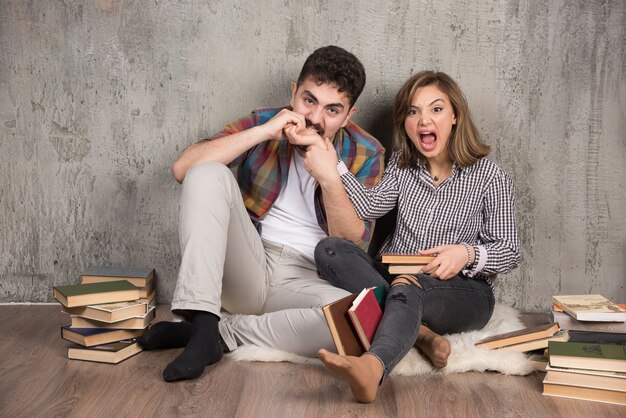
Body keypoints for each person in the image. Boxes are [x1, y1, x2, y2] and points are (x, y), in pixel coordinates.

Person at [137, 46, 385, 382]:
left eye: (332, 109)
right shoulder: (264, 122)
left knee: (359, 322)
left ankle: (214, 332)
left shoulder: (367, 152)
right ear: (293, 92)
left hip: (308, 279)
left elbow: (351, 241)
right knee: (206, 172)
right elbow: (183, 168)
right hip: (248, 264)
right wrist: (265, 132)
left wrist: (329, 175)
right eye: (308, 100)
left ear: (348, 115)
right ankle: (203, 317)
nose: (314, 118)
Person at [308, 70, 521, 403]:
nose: (424, 119)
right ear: (405, 122)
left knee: (407, 286)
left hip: (462, 292)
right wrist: (334, 165)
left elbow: (509, 251)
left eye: (436, 109)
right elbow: (368, 207)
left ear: (454, 117)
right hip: (396, 278)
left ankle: (372, 367)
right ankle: (421, 334)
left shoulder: (489, 174)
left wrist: (465, 254)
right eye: (413, 111)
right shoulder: (403, 165)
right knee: (330, 250)